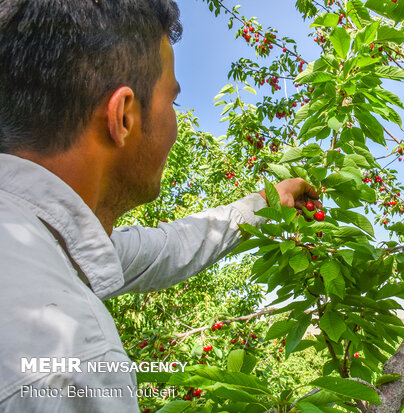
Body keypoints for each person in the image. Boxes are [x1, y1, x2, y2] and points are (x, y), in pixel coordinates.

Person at [0, 1, 319, 411]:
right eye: (171, 101)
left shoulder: (33, 237)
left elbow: (165, 247)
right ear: (124, 117)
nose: (175, 122)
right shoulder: (71, 362)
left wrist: (266, 203)